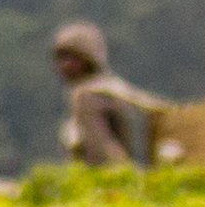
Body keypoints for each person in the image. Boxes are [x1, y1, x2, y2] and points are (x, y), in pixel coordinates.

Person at [50, 22, 163, 168]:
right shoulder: (110, 89)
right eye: (62, 58)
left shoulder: (85, 96)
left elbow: (100, 149)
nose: (65, 65)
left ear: (88, 60)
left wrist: (121, 173)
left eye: (73, 58)